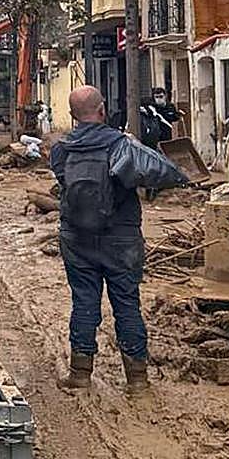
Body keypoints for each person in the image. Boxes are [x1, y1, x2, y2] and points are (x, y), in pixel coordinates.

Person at [50, 85, 188, 394]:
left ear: (73, 116)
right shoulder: (121, 145)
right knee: (127, 304)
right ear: (102, 112)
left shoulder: (61, 149)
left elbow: (62, 181)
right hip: (121, 239)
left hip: (76, 237)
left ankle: (80, 374)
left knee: (83, 301)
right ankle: (137, 380)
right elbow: (165, 173)